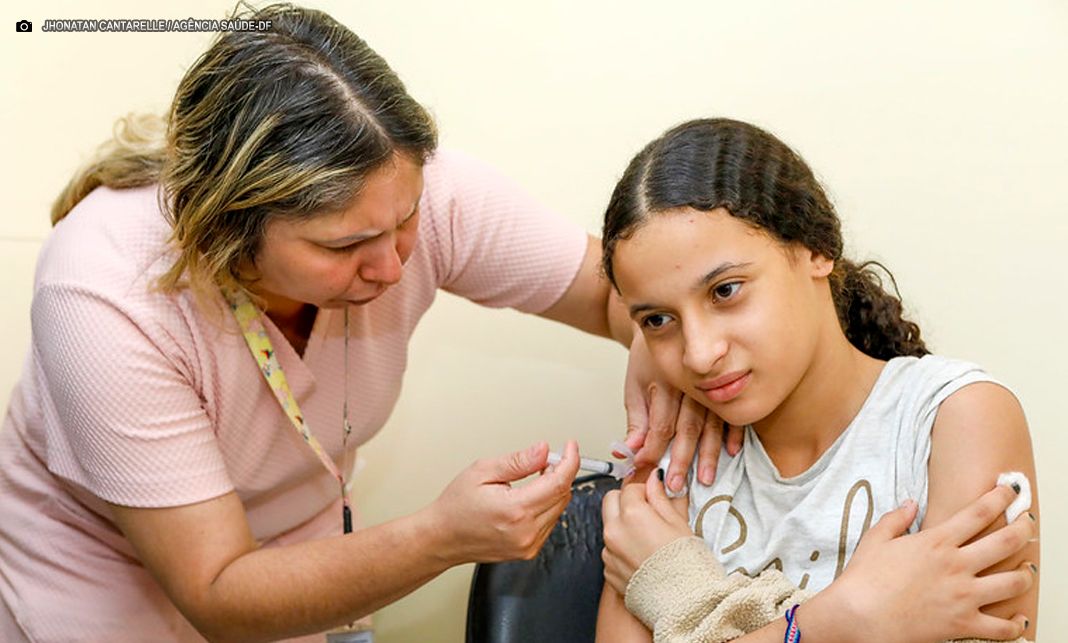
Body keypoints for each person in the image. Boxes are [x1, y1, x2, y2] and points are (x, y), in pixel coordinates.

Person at [0, 5, 730, 642]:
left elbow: (613, 291)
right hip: (103, 571)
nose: (392, 266)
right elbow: (218, 589)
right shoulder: (102, 294)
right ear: (226, 227)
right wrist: (441, 537)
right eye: (343, 246)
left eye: (406, 220)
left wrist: (651, 335)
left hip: (284, 551)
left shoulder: (406, 191)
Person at [595, 118, 1039, 642]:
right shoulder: (675, 470)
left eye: (725, 291)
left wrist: (682, 592)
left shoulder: (953, 420)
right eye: (658, 321)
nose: (699, 353)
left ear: (816, 248)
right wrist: (844, 619)